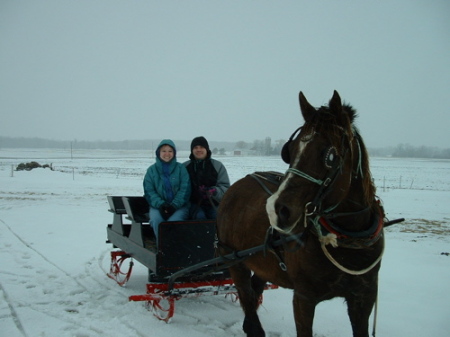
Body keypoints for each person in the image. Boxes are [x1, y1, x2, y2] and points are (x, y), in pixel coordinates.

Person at [143, 139, 191, 239]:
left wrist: (174, 205)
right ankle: (161, 250)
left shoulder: (181, 169)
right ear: (158, 153)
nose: (167, 154)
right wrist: (161, 205)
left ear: (174, 153)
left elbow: (185, 189)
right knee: (157, 221)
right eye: (164, 151)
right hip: (157, 207)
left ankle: (173, 249)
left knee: (173, 223)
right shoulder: (151, 170)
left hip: (179, 206)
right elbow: (149, 191)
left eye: (170, 151)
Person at [184, 136, 230, 220]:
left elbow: (226, 188)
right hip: (193, 204)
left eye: (201, 147)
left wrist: (214, 191)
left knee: (219, 218)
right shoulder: (184, 167)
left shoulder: (218, 166)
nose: (198, 150)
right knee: (199, 217)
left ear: (207, 149)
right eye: (195, 147)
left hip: (214, 203)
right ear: (192, 150)